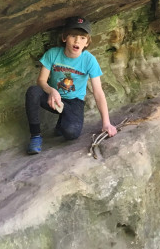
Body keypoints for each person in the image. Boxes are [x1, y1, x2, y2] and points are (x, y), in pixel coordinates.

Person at [26, 16, 117, 154]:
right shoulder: (53, 54)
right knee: (33, 92)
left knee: (71, 133)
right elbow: (41, 81)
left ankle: (62, 123)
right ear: (64, 38)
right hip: (53, 98)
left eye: (82, 37)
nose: (77, 41)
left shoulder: (89, 60)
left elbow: (98, 93)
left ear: (87, 42)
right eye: (73, 36)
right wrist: (51, 91)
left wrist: (106, 123)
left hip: (74, 102)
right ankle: (35, 136)